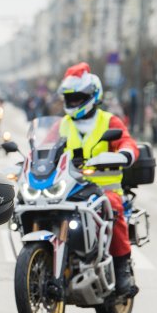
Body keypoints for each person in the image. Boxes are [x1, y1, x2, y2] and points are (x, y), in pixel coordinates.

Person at [53, 62, 139, 295]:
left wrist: (124, 154)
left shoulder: (109, 121)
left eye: (77, 97)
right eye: (69, 98)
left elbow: (127, 141)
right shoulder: (62, 124)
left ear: (92, 95)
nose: (72, 102)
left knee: (112, 208)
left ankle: (122, 268)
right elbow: (44, 148)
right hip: (68, 187)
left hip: (104, 188)